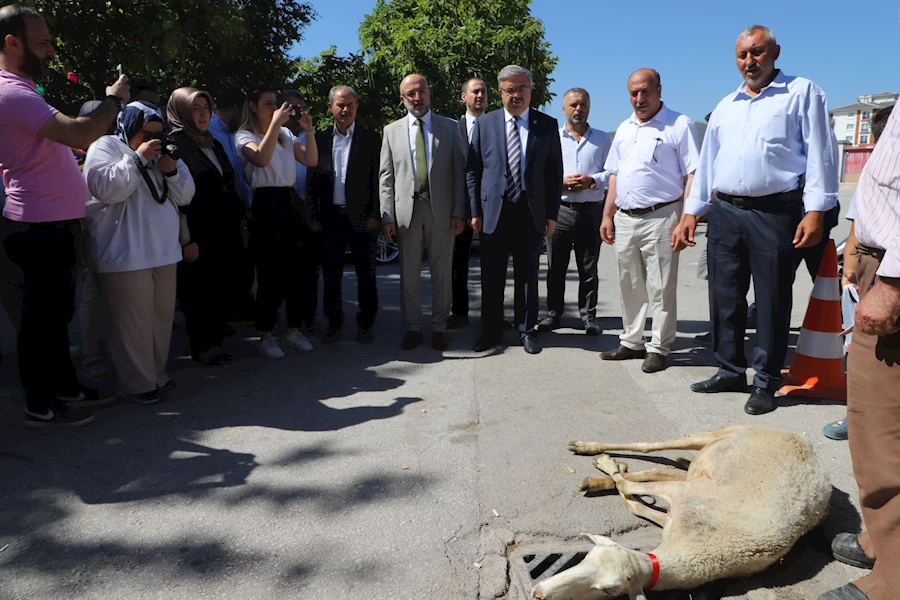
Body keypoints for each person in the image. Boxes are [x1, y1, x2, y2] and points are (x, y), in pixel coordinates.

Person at [673, 25, 838, 415]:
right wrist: (690, 213)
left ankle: (765, 380)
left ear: (775, 52)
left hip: (776, 212)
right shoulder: (727, 105)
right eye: (743, 55)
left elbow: (821, 155)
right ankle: (730, 369)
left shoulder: (802, 93)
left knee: (771, 301)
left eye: (758, 52)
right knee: (725, 296)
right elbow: (707, 165)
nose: (750, 61)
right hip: (726, 213)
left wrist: (815, 210)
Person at [0, 4, 129, 428]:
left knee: (55, 315)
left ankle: (65, 387)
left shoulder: (23, 90)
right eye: (42, 42)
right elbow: (80, 131)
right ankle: (40, 402)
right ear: (11, 43)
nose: (52, 51)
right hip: (37, 227)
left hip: (52, 224)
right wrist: (112, 101)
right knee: (41, 321)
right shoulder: (11, 92)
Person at [819, 106, 900, 600]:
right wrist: (855, 239)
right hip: (881, 257)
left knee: (881, 432)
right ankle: (884, 541)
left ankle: (892, 581)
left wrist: (892, 282)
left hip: (894, 272)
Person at [82, 101, 195, 404]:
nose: (153, 141)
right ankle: (138, 385)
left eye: (158, 134)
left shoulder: (163, 153)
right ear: (128, 128)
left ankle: (157, 375)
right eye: (145, 134)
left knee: (159, 320)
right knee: (131, 325)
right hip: (124, 253)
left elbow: (186, 195)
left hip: (163, 252)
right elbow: (104, 189)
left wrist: (170, 172)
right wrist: (137, 158)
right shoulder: (105, 146)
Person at [599, 70, 699, 373]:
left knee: (661, 287)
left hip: (662, 216)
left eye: (645, 92)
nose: (639, 99)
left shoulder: (679, 125)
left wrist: (686, 217)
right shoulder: (625, 128)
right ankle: (631, 341)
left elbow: (693, 173)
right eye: (633, 93)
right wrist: (607, 213)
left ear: (659, 91)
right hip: (626, 218)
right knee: (629, 284)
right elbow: (615, 174)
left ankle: (659, 346)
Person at [468, 64, 563, 355]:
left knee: (527, 275)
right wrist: (475, 211)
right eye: (510, 89)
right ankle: (491, 330)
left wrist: (551, 214)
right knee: (491, 275)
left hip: (529, 211)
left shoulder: (546, 125)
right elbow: (472, 170)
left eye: (522, 88)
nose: (517, 94)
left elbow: (553, 173)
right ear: (500, 93)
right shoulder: (484, 124)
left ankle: (527, 329)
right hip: (494, 211)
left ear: (531, 90)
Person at [822, 104, 893, 443]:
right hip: (866, 264)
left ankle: (873, 419)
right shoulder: (873, 172)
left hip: (888, 268)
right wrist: (848, 271)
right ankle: (857, 413)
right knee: (858, 349)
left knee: (882, 354)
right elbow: (857, 226)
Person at [379, 74, 466, 351]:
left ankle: (439, 327)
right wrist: (387, 216)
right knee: (409, 274)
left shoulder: (451, 128)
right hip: (407, 212)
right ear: (402, 98)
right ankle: (413, 327)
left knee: (442, 273)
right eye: (411, 94)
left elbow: (458, 175)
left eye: (421, 91)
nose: (417, 98)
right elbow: (386, 176)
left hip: (441, 211)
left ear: (429, 92)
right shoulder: (391, 131)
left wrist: (459, 211)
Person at [235, 86, 318, 359]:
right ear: (253, 106)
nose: (275, 108)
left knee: (297, 271)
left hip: (289, 199)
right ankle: (267, 334)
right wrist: (274, 126)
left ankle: (294, 329)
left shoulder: (285, 133)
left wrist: (309, 130)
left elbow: (310, 159)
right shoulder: (244, 136)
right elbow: (260, 158)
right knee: (270, 273)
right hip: (265, 202)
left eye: (276, 103)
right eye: (269, 103)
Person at [167, 87, 244, 364]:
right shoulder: (174, 143)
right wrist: (189, 238)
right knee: (197, 291)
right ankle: (202, 347)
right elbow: (178, 197)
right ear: (183, 111)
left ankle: (216, 342)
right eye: (196, 108)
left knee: (218, 287)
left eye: (206, 108)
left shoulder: (212, 141)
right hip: (197, 231)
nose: (202, 114)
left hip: (223, 229)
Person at [307, 85, 381, 344]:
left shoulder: (371, 139)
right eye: (340, 104)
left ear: (357, 106)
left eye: (350, 104)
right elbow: (311, 180)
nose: (346, 109)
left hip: (362, 218)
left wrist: (376, 214)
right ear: (330, 107)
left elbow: (378, 179)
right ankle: (334, 323)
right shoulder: (319, 140)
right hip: (329, 218)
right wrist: (313, 215)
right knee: (331, 275)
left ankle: (366, 324)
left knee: (366, 274)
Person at [538, 87, 611, 337]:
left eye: (583, 105)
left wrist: (591, 181)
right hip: (559, 210)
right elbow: (542, 173)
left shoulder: (602, 139)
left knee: (588, 268)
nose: (578, 109)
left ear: (589, 107)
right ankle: (553, 314)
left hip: (591, 210)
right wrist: (560, 182)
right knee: (555, 267)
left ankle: (588, 317)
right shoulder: (553, 138)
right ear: (564, 108)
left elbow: (612, 172)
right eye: (573, 105)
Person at [76, 100, 116, 383]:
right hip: (89, 234)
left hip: (115, 235)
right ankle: (91, 358)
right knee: (93, 294)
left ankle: (112, 355)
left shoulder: (115, 148)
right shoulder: (76, 154)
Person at [209, 87, 254, 321]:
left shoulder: (232, 133)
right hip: (221, 210)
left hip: (240, 207)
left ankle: (240, 307)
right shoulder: (210, 131)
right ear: (236, 109)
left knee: (243, 263)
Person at [449, 77, 487, 330]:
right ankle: (459, 313)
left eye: (483, 91)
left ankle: (492, 314)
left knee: (492, 264)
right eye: (475, 92)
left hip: (491, 206)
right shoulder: (451, 129)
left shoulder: (498, 127)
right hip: (460, 207)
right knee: (457, 264)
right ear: (464, 97)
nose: (480, 95)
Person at [281, 89, 320, 335]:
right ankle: (279, 320)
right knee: (282, 271)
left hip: (309, 210)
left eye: (300, 108)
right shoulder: (274, 135)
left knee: (309, 271)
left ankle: (308, 317)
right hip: (283, 209)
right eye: (291, 108)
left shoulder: (313, 137)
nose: (296, 113)